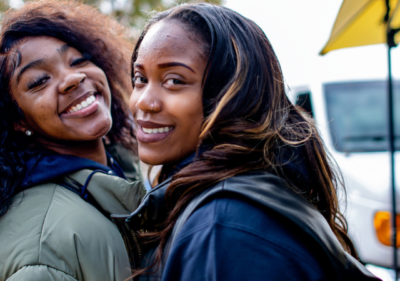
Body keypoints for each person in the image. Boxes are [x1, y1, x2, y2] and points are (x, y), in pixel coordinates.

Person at [112, 4, 380, 280]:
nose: (144, 101)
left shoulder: (224, 226)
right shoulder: (234, 195)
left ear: (232, 93)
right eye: (140, 78)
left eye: (174, 80)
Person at [0, 1, 145, 280]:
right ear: (17, 120)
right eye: (39, 81)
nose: (73, 78)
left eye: (78, 59)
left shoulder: (124, 170)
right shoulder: (43, 249)